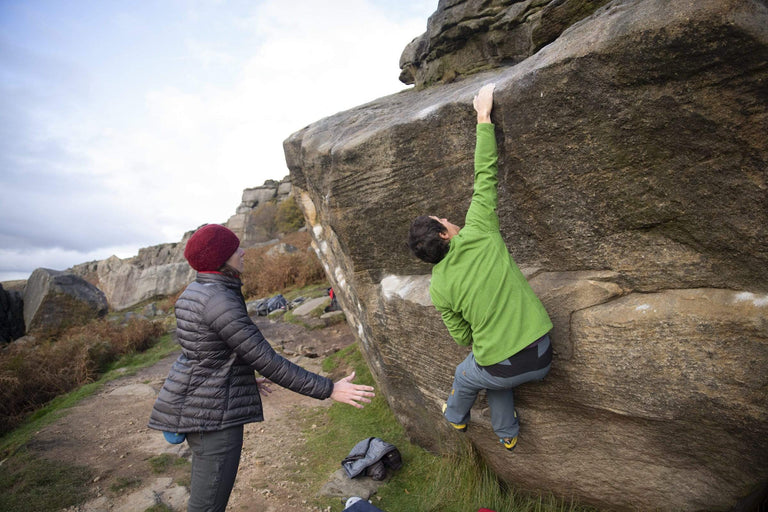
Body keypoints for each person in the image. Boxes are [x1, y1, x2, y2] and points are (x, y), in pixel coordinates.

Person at [148, 223, 375, 511]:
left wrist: (240, 378)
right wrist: (329, 389)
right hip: (213, 419)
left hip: (201, 405)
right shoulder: (220, 301)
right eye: (234, 249)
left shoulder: (195, 291)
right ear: (221, 259)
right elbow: (267, 360)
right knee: (206, 506)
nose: (242, 252)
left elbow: (206, 351)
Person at [407, 83, 553, 451]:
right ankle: (507, 434)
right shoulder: (480, 229)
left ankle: (454, 418)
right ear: (444, 233)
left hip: (503, 365)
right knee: (488, 371)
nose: (448, 217)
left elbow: (461, 338)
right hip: (543, 351)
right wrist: (483, 117)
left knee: (469, 370)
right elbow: (484, 173)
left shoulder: (438, 286)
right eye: (442, 219)